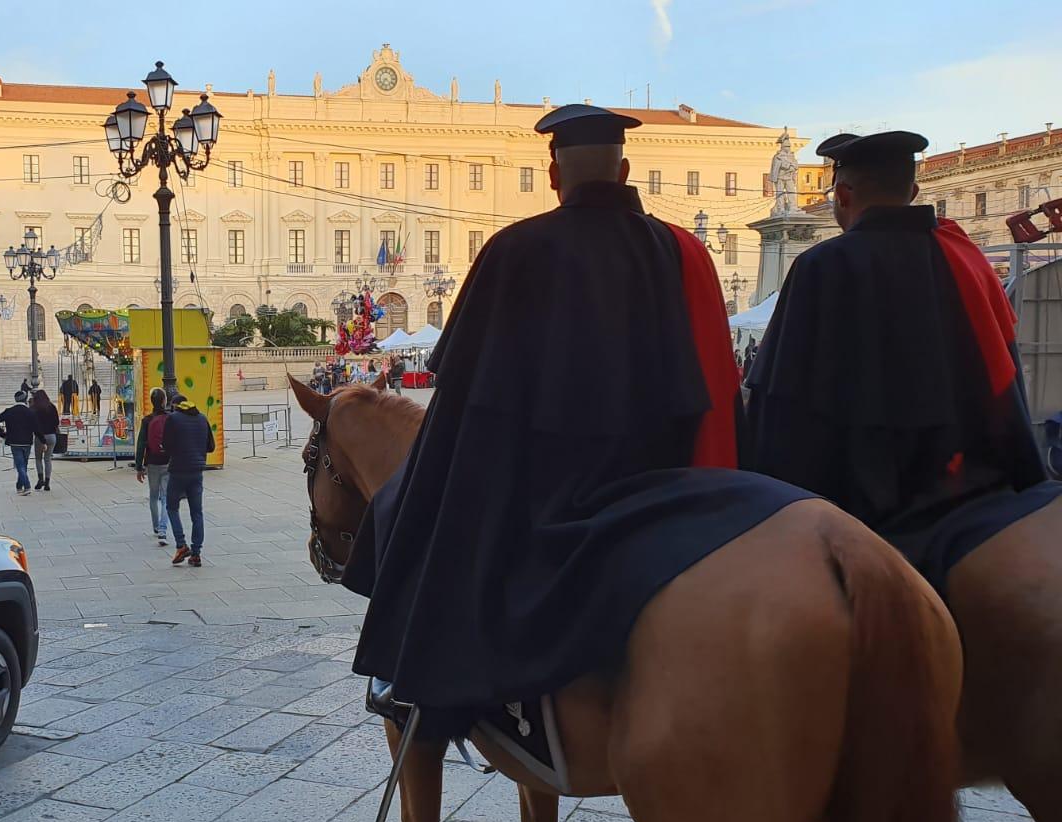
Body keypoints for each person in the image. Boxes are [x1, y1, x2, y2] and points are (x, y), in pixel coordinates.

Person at [341, 105, 803, 735]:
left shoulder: (514, 249)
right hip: (656, 481)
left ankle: (422, 690)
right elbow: (709, 380)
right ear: (627, 170)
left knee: (429, 526)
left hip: (542, 495)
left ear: (554, 175)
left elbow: (463, 401)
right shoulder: (679, 249)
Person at [745, 129, 1060, 591]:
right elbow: (1004, 372)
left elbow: (783, 398)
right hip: (971, 490)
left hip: (857, 504)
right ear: (913, 192)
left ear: (843, 195)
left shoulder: (823, 266)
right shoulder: (967, 259)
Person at [162, 392, 216, 566]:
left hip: (178, 470)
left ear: (175, 406)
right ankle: (196, 553)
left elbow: (167, 445)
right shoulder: (202, 418)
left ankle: (181, 544)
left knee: (171, 507)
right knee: (197, 513)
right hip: (197, 471)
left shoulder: (173, 419)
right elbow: (211, 446)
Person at [134, 387, 172, 545]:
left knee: (153, 496)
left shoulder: (147, 420)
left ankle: (156, 527)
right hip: (168, 462)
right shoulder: (170, 418)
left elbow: (141, 444)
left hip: (152, 462)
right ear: (164, 401)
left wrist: (139, 466)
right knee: (166, 498)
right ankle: (163, 530)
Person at [0, 390, 37, 495]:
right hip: (27, 441)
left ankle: (21, 486)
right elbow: (36, 427)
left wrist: (2, 433)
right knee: (23, 464)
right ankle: (25, 486)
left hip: (14, 441)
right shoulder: (30, 412)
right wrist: (42, 440)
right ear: (25, 399)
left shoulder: (9, 411)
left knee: (20, 465)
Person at [30, 389, 59, 491]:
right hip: (51, 436)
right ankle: (47, 482)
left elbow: (33, 425)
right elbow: (56, 422)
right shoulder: (51, 407)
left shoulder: (34, 408)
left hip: (40, 437)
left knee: (38, 459)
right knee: (48, 459)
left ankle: (40, 479)